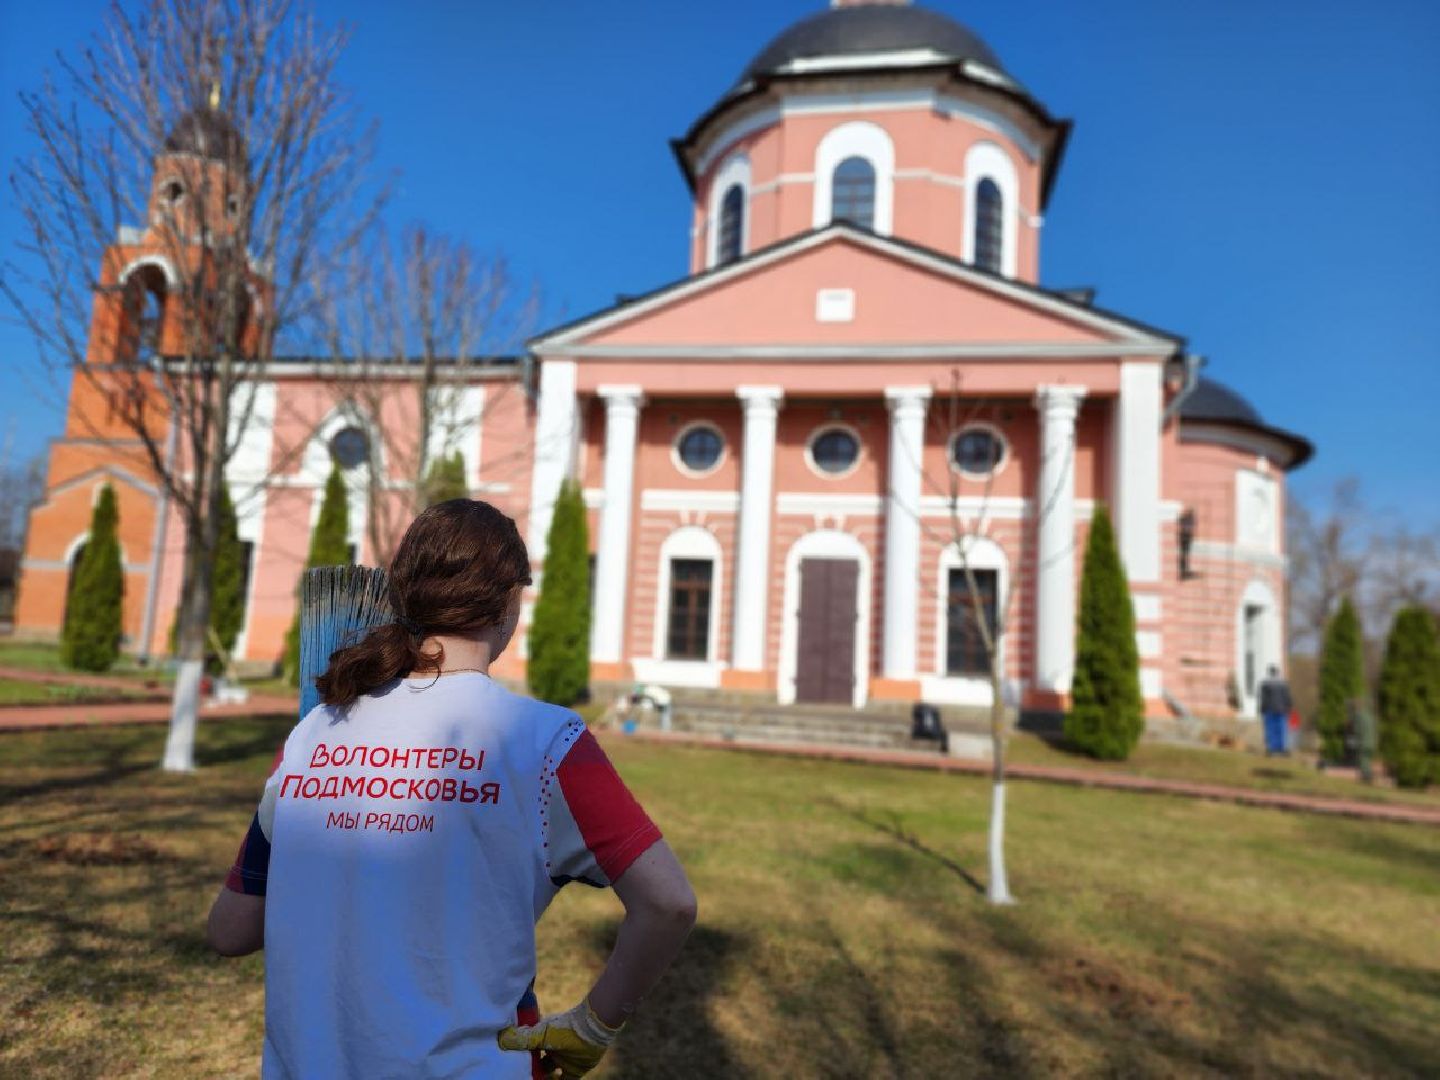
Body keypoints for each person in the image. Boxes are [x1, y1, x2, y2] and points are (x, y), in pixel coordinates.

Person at [206, 499, 697, 1078]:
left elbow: (230, 930)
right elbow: (668, 904)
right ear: (510, 600)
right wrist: (594, 1024)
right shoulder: (545, 742)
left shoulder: (311, 735)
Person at [1257, 664, 1293, 757]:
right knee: (1282, 729)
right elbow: (1287, 697)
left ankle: (1271, 749)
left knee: (1270, 729)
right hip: (1282, 709)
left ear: (1270, 673)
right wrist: (1289, 706)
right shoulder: (1283, 683)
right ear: (1277, 673)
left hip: (1270, 709)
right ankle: (1283, 749)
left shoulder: (1265, 683)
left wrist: (1262, 708)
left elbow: (1263, 698)